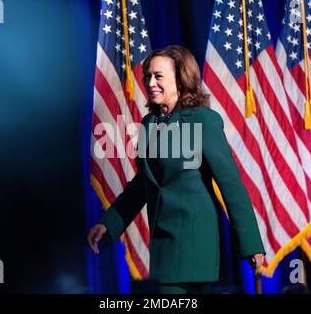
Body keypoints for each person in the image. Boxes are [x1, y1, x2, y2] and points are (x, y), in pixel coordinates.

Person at [88, 45, 265, 294]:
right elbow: (143, 184)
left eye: (158, 76)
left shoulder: (203, 120)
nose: (150, 82)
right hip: (163, 247)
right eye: (148, 76)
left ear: (180, 78)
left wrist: (251, 244)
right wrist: (110, 222)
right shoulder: (150, 124)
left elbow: (232, 186)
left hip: (195, 247)